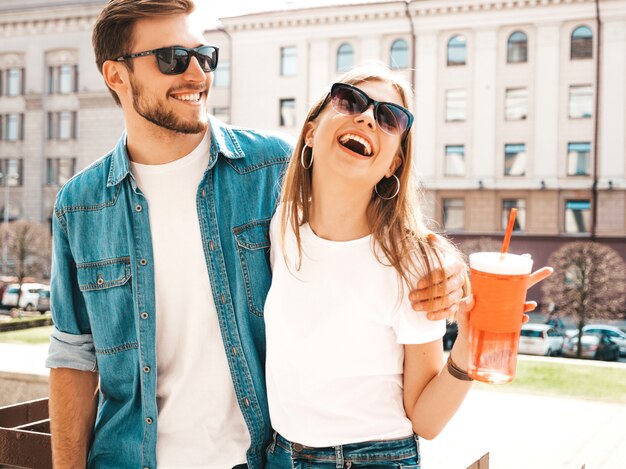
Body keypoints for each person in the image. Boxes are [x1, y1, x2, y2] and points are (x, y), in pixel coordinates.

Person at [44, 2, 467, 468]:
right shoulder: (79, 205)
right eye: (172, 59)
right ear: (116, 76)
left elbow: (368, 210)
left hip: (254, 458)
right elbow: (73, 355)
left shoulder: (271, 169)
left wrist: (447, 264)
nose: (196, 74)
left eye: (203, 56)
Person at [263, 66, 552, 468]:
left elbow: (426, 420)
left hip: (373, 459)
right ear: (311, 131)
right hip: (280, 455)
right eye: (350, 100)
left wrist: (470, 342)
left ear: (393, 164)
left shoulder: (414, 263)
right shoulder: (283, 225)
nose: (366, 118)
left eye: (389, 118)